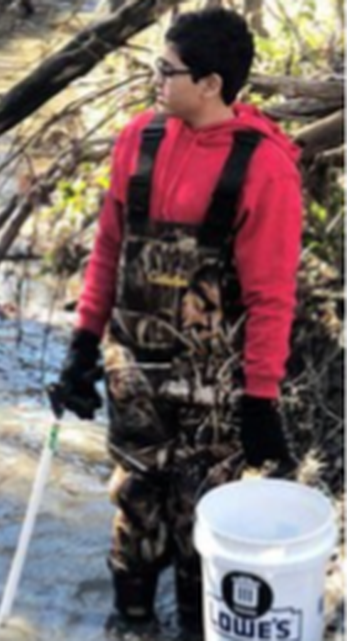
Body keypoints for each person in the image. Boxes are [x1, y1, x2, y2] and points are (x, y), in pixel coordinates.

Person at [51, 8, 303, 632]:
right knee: (134, 505)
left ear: (211, 83)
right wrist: (82, 346)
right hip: (132, 366)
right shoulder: (138, 138)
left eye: (167, 71)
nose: (156, 80)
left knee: (203, 516)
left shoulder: (265, 166)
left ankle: (196, 624)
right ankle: (130, 621)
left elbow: (272, 298)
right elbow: (110, 249)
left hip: (213, 382)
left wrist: (260, 402)